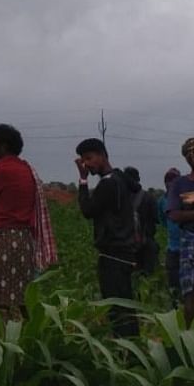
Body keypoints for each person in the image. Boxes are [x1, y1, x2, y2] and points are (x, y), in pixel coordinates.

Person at [0, 124, 57, 319]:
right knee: (23, 294)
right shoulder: (25, 169)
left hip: (4, 239)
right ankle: (29, 336)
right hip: (25, 240)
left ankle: (4, 341)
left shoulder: (2, 170)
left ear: (3, 146)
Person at [75, 138, 139, 338]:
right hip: (125, 252)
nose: (86, 164)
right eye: (83, 160)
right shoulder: (119, 179)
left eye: (90, 158)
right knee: (125, 305)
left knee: (116, 308)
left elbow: (87, 210)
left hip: (112, 254)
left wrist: (83, 179)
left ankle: (125, 353)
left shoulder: (108, 184)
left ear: (103, 155)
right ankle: (133, 349)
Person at [165, 139, 194, 325]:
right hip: (190, 244)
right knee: (190, 296)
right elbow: (174, 215)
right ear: (191, 159)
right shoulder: (179, 185)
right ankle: (190, 340)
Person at [123, 166, 159, 276]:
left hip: (126, 245)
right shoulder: (149, 197)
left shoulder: (121, 198)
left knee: (130, 278)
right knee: (149, 277)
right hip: (147, 242)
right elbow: (157, 219)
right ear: (138, 179)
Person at [158, 167, 182, 302]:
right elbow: (162, 220)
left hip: (189, 247)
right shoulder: (162, 201)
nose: (170, 184)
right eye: (168, 181)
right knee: (173, 281)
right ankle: (176, 307)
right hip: (172, 248)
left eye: (174, 180)